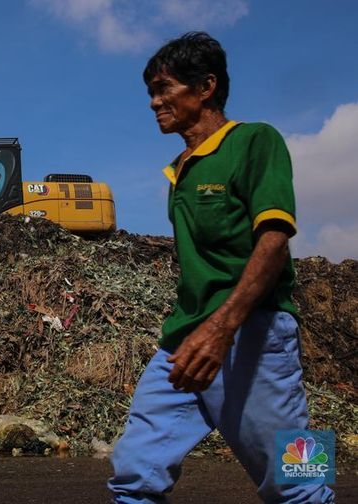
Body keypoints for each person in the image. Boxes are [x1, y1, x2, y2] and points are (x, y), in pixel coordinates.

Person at [107, 32, 334, 503]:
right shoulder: (178, 171)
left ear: (205, 87)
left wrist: (222, 329)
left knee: (298, 479)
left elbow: (274, 240)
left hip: (254, 332)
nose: (154, 102)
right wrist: (201, 331)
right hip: (184, 340)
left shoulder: (255, 141)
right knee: (134, 471)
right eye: (150, 91)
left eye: (163, 87)